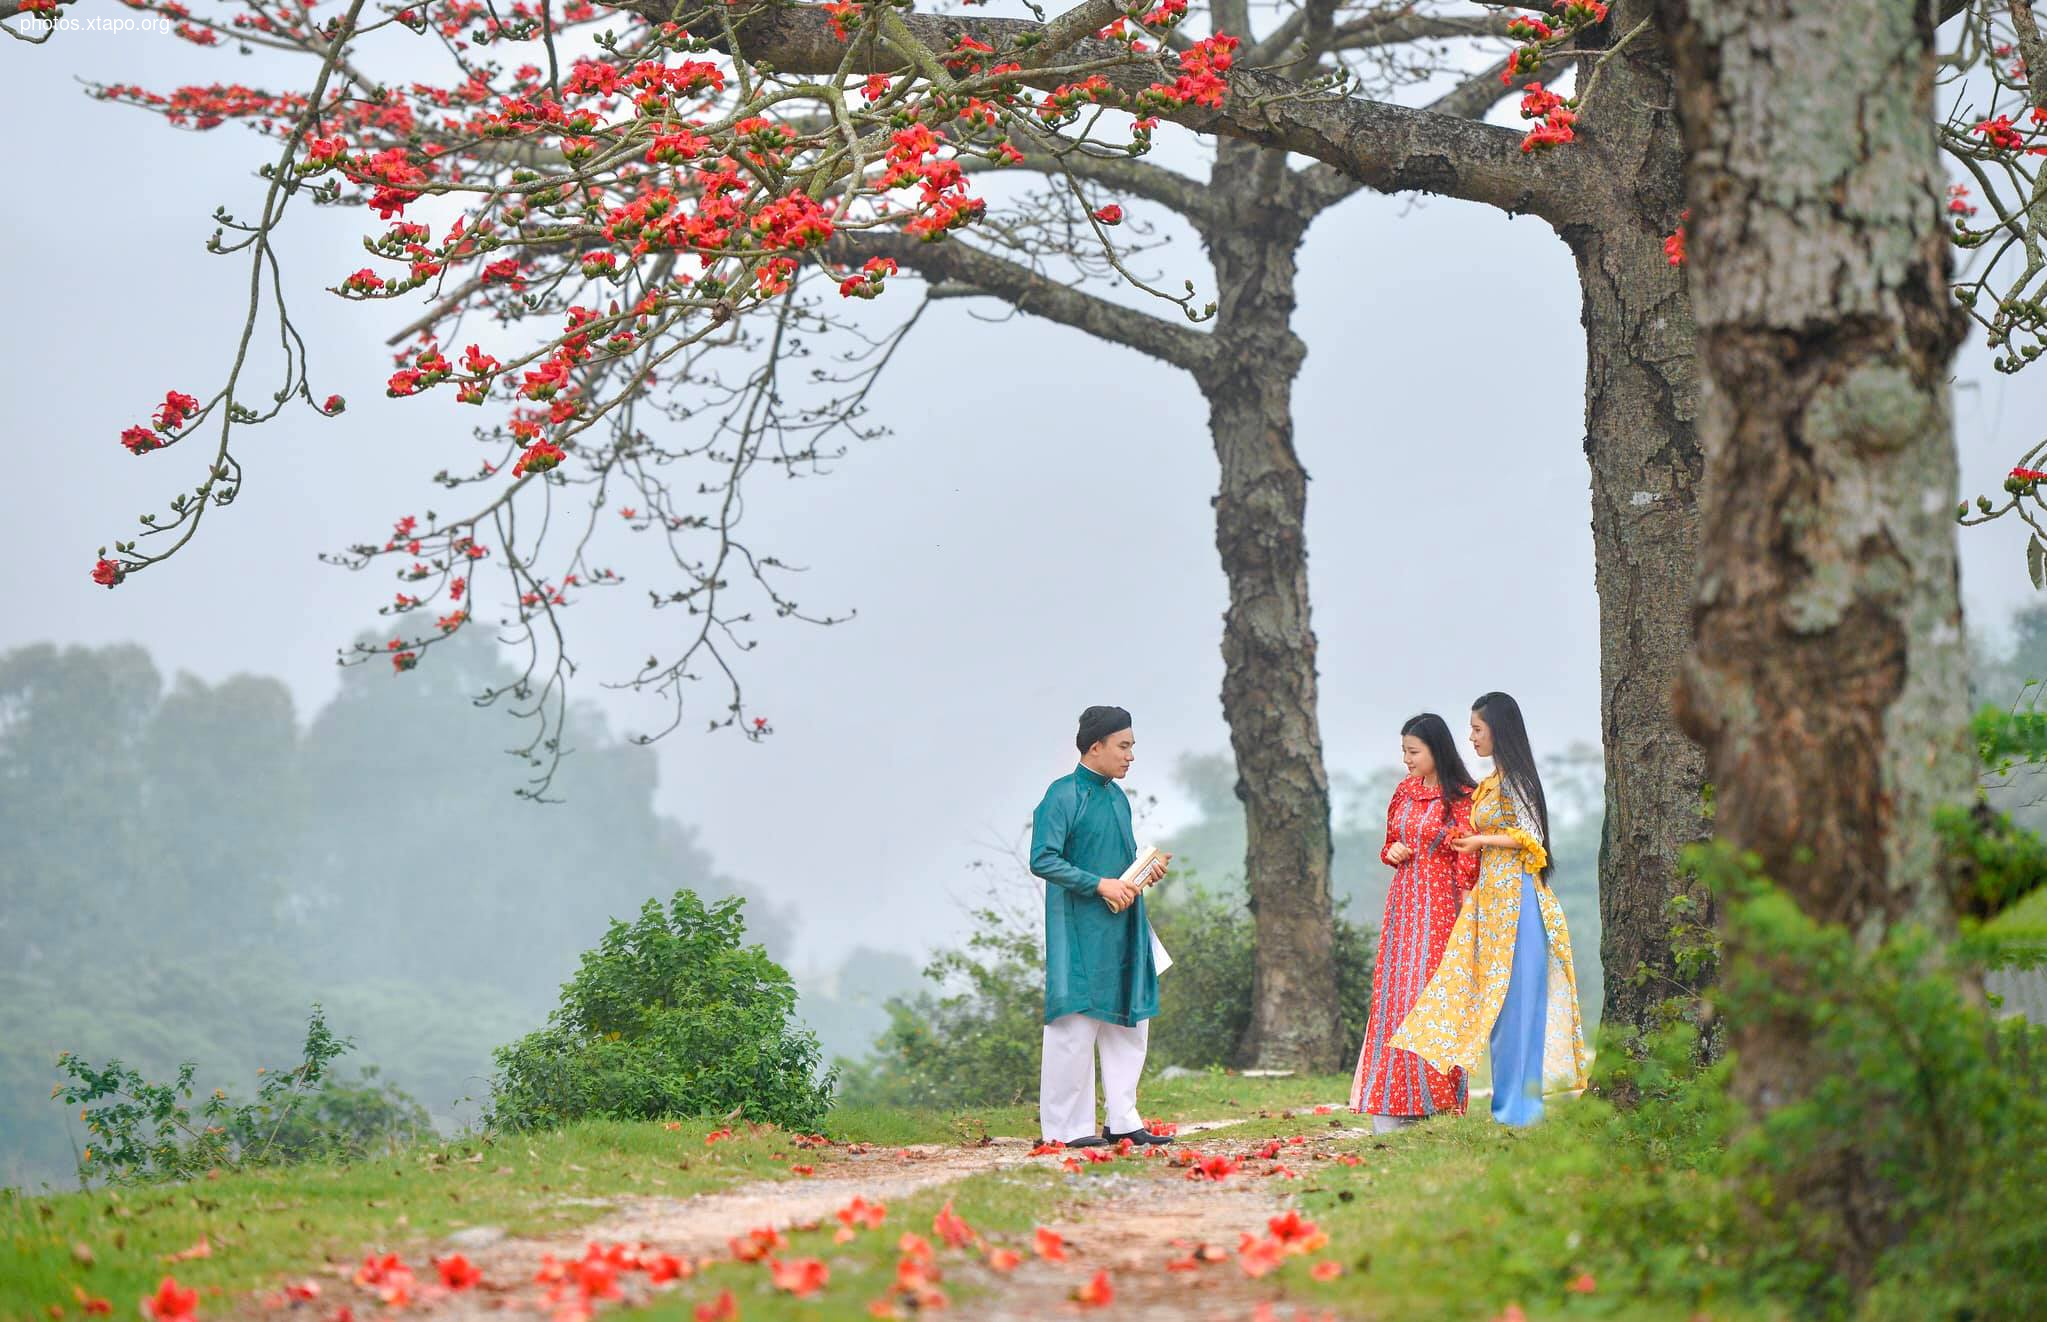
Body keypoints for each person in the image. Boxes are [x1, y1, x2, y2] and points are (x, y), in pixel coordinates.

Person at [1390, 692, 1588, 1126]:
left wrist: (1480, 841)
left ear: (1498, 729)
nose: (1471, 736)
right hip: (1490, 902)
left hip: (1519, 899)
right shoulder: (1492, 783)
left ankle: (1521, 1110)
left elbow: (1530, 836)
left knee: (1519, 1005)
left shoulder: (1518, 780)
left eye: (1477, 728)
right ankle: (1508, 1107)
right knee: (1498, 1009)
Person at [1029, 705, 1172, 1148]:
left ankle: (1123, 1120)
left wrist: (1142, 873)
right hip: (1079, 927)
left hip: (1124, 923)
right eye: (1123, 746)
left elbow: (1116, 862)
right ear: (1096, 747)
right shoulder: (1062, 795)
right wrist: (1100, 885)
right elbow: (1043, 859)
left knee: (1130, 1022)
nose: (1130, 756)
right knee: (1074, 1025)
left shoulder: (1115, 797)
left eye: (1131, 747)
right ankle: (1066, 1128)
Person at [1349, 713, 1480, 1133]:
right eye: (1404, 751)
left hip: (1442, 905)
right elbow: (1389, 841)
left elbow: (1469, 856)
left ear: (1436, 750)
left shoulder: (1461, 796)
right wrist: (1393, 852)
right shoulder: (1405, 790)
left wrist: (1465, 908)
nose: (1406, 759)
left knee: (1431, 995)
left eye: (1413, 751)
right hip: (1404, 905)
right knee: (1396, 996)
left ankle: (1436, 1102)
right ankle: (1392, 1100)